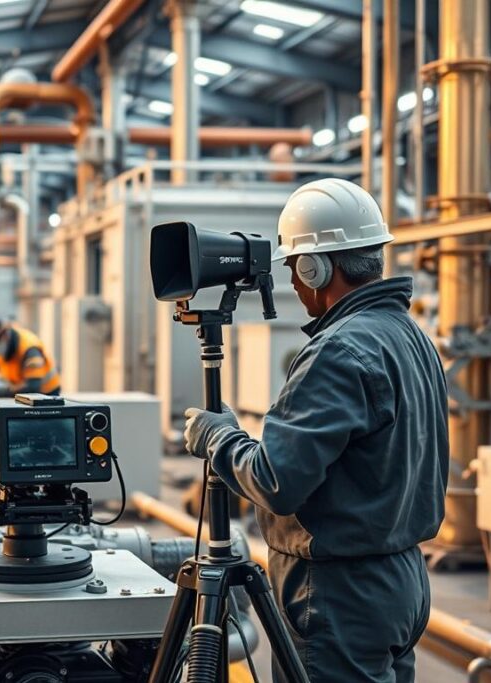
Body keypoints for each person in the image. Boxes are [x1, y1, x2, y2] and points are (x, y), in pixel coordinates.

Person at [183, 179, 448, 683]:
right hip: (403, 581)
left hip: (338, 590)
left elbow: (276, 481)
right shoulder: (410, 336)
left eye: (293, 268)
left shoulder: (338, 350)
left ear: (316, 267)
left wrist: (219, 438)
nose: (294, 283)